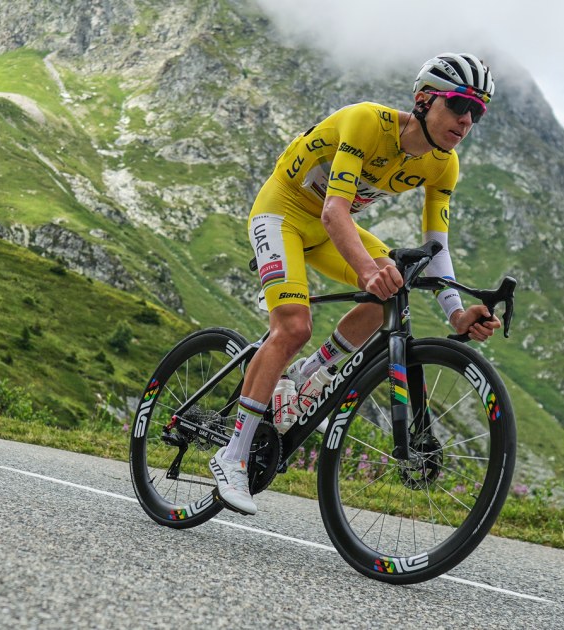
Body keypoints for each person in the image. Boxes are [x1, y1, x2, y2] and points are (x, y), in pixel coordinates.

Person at [208, 53, 502, 515]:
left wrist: (457, 313)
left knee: (397, 282)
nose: (467, 120)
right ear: (425, 101)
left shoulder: (443, 165)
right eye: (459, 104)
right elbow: (333, 210)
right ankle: (232, 455)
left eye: (478, 111)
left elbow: (436, 248)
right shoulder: (368, 122)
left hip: (328, 228)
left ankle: (306, 376)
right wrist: (367, 270)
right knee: (293, 327)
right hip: (283, 212)